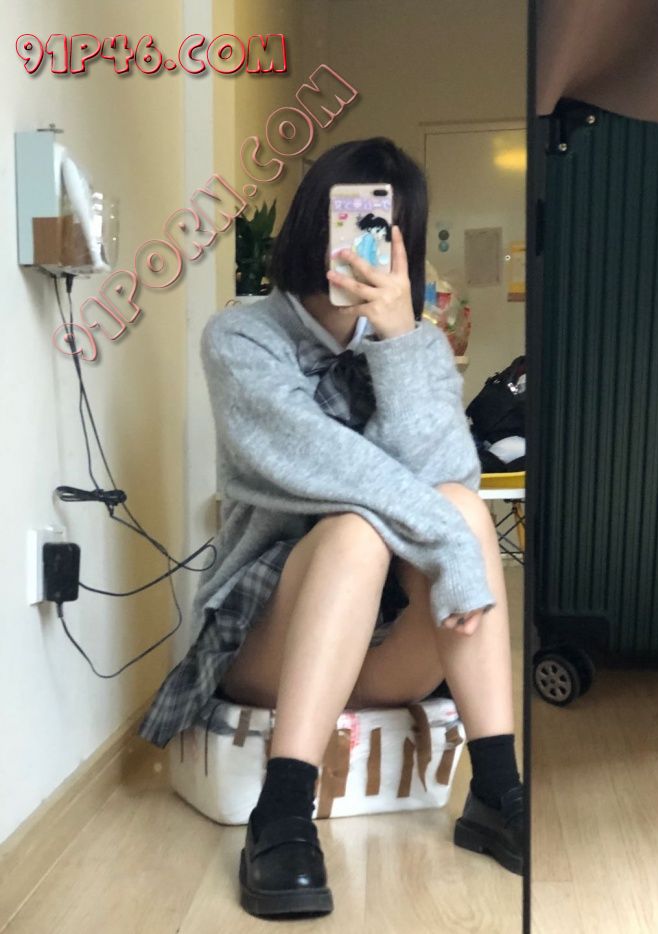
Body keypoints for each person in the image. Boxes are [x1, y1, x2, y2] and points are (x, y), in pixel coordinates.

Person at [137, 137, 524, 919]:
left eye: (386, 226)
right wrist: (449, 541)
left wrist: (402, 340)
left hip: (383, 648)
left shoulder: (414, 343)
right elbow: (329, 467)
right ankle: (281, 812)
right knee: (356, 529)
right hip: (268, 642)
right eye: (353, 218)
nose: (365, 240)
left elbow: (453, 474)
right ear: (317, 222)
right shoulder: (242, 338)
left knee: (462, 506)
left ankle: (496, 791)